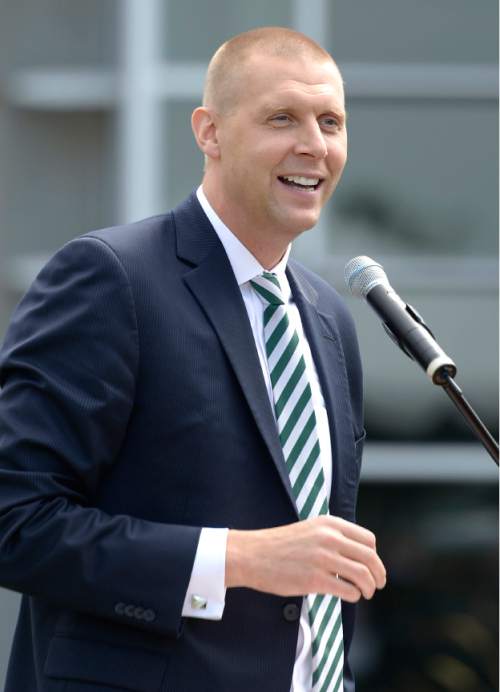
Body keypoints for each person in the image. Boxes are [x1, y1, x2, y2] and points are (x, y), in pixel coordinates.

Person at [0, 27, 386, 692]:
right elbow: (15, 518)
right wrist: (236, 557)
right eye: (281, 118)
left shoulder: (331, 321)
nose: (314, 146)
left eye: (331, 122)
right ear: (209, 132)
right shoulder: (110, 279)